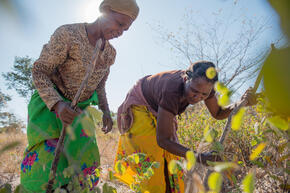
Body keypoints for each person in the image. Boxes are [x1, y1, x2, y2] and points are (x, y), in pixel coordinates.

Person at [20, 0, 139, 192]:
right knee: (46, 165)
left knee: (84, 166)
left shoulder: (109, 54)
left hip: (78, 112)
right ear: (105, 11)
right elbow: (40, 70)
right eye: (119, 24)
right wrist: (58, 105)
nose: (121, 32)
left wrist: (106, 110)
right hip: (49, 109)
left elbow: (100, 84)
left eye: (125, 29)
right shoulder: (68, 34)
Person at [115, 61, 257, 193]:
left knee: (171, 164)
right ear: (185, 79)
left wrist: (240, 103)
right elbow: (163, 141)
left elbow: (218, 113)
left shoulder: (205, 88)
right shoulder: (172, 90)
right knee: (152, 164)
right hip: (141, 104)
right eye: (194, 91)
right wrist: (200, 157)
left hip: (160, 109)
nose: (197, 97)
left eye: (204, 94)